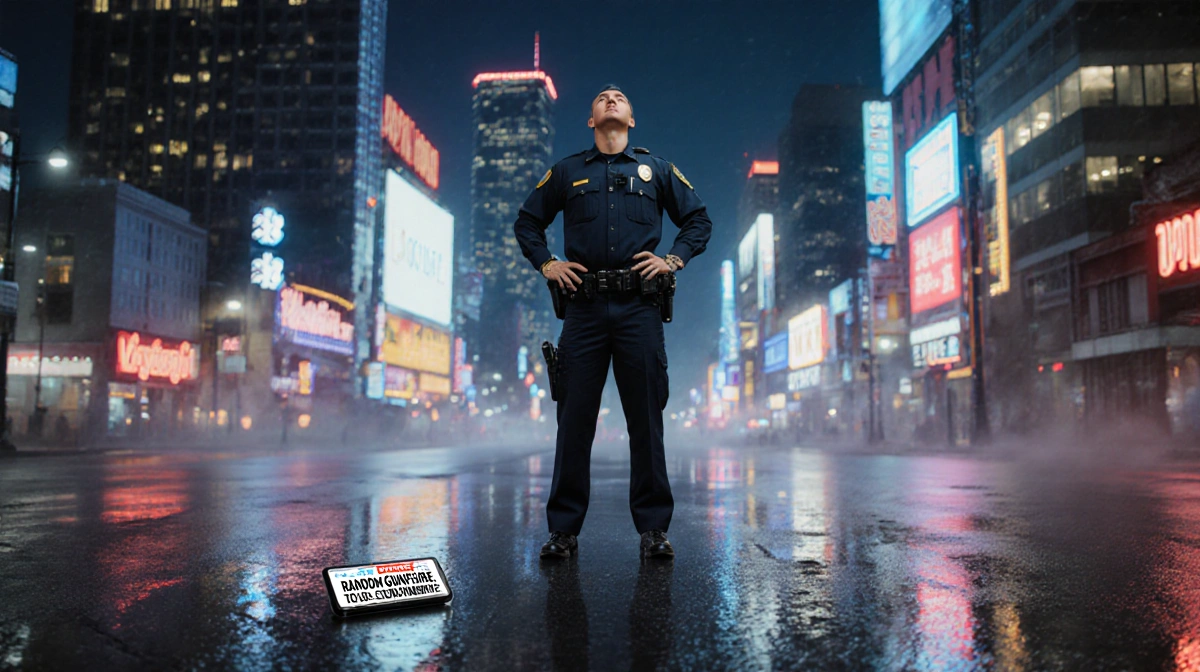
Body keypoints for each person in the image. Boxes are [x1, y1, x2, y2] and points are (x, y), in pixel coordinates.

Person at [514, 84, 713, 560]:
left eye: (620, 96)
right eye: (601, 97)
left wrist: (673, 261)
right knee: (574, 422)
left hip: (639, 311)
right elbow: (527, 223)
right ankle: (563, 532)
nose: (610, 98)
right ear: (590, 120)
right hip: (582, 310)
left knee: (646, 422)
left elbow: (698, 221)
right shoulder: (566, 172)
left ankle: (653, 531)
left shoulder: (657, 170)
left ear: (631, 118)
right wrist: (548, 264)